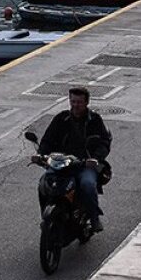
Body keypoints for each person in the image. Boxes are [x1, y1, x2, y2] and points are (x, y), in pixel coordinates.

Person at [36, 86, 112, 232]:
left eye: (79, 102)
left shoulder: (95, 120)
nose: (76, 105)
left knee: (88, 185)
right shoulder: (60, 119)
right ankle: (46, 218)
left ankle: (94, 218)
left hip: (84, 165)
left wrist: (96, 158)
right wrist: (41, 155)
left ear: (86, 103)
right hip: (61, 164)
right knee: (43, 185)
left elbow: (104, 142)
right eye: (73, 101)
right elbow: (47, 140)